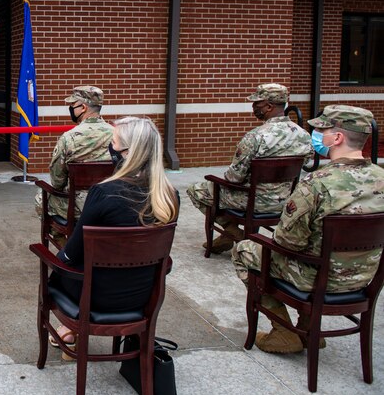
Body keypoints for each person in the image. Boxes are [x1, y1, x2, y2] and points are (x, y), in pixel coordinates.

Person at [232, 105, 384, 354]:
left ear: (338, 138)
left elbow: (286, 242)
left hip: (315, 278)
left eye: (323, 130)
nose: (317, 135)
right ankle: (308, 326)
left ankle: (284, 332)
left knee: (244, 250)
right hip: (365, 277)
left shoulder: (317, 184)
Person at [50, 117, 180, 355]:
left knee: (60, 270)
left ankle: (70, 329)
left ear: (127, 152)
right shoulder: (170, 195)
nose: (110, 148)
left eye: (114, 142)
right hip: (143, 297)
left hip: (95, 299)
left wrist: (56, 263)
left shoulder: (103, 193)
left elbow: (71, 253)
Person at [186, 83, 313, 254]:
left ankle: (233, 231)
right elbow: (307, 163)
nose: (253, 108)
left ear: (269, 106)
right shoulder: (303, 135)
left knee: (198, 190)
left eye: (256, 104)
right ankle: (229, 235)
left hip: (253, 201)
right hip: (286, 201)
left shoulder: (256, 136)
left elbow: (233, 178)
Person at [34, 86, 114, 222]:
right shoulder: (117, 134)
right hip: (109, 203)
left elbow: (57, 181)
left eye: (72, 105)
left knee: (40, 197)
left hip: (77, 207)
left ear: (83, 108)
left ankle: (65, 241)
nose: (70, 109)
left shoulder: (69, 137)